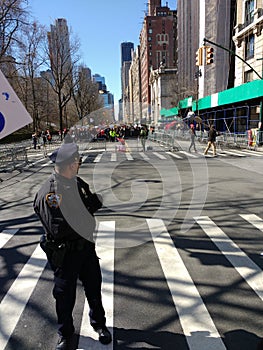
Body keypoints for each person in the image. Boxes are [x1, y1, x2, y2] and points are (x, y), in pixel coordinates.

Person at [33, 142, 112, 350]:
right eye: (77, 161)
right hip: (65, 254)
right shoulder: (51, 193)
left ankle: (99, 324)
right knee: (65, 297)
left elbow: (87, 203)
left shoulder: (76, 183)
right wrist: (86, 213)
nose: (79, 165)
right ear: (70, 164)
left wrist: (94, 202)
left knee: (94, 288)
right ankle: (65, 334)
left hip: (85, 248)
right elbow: (59, 228)